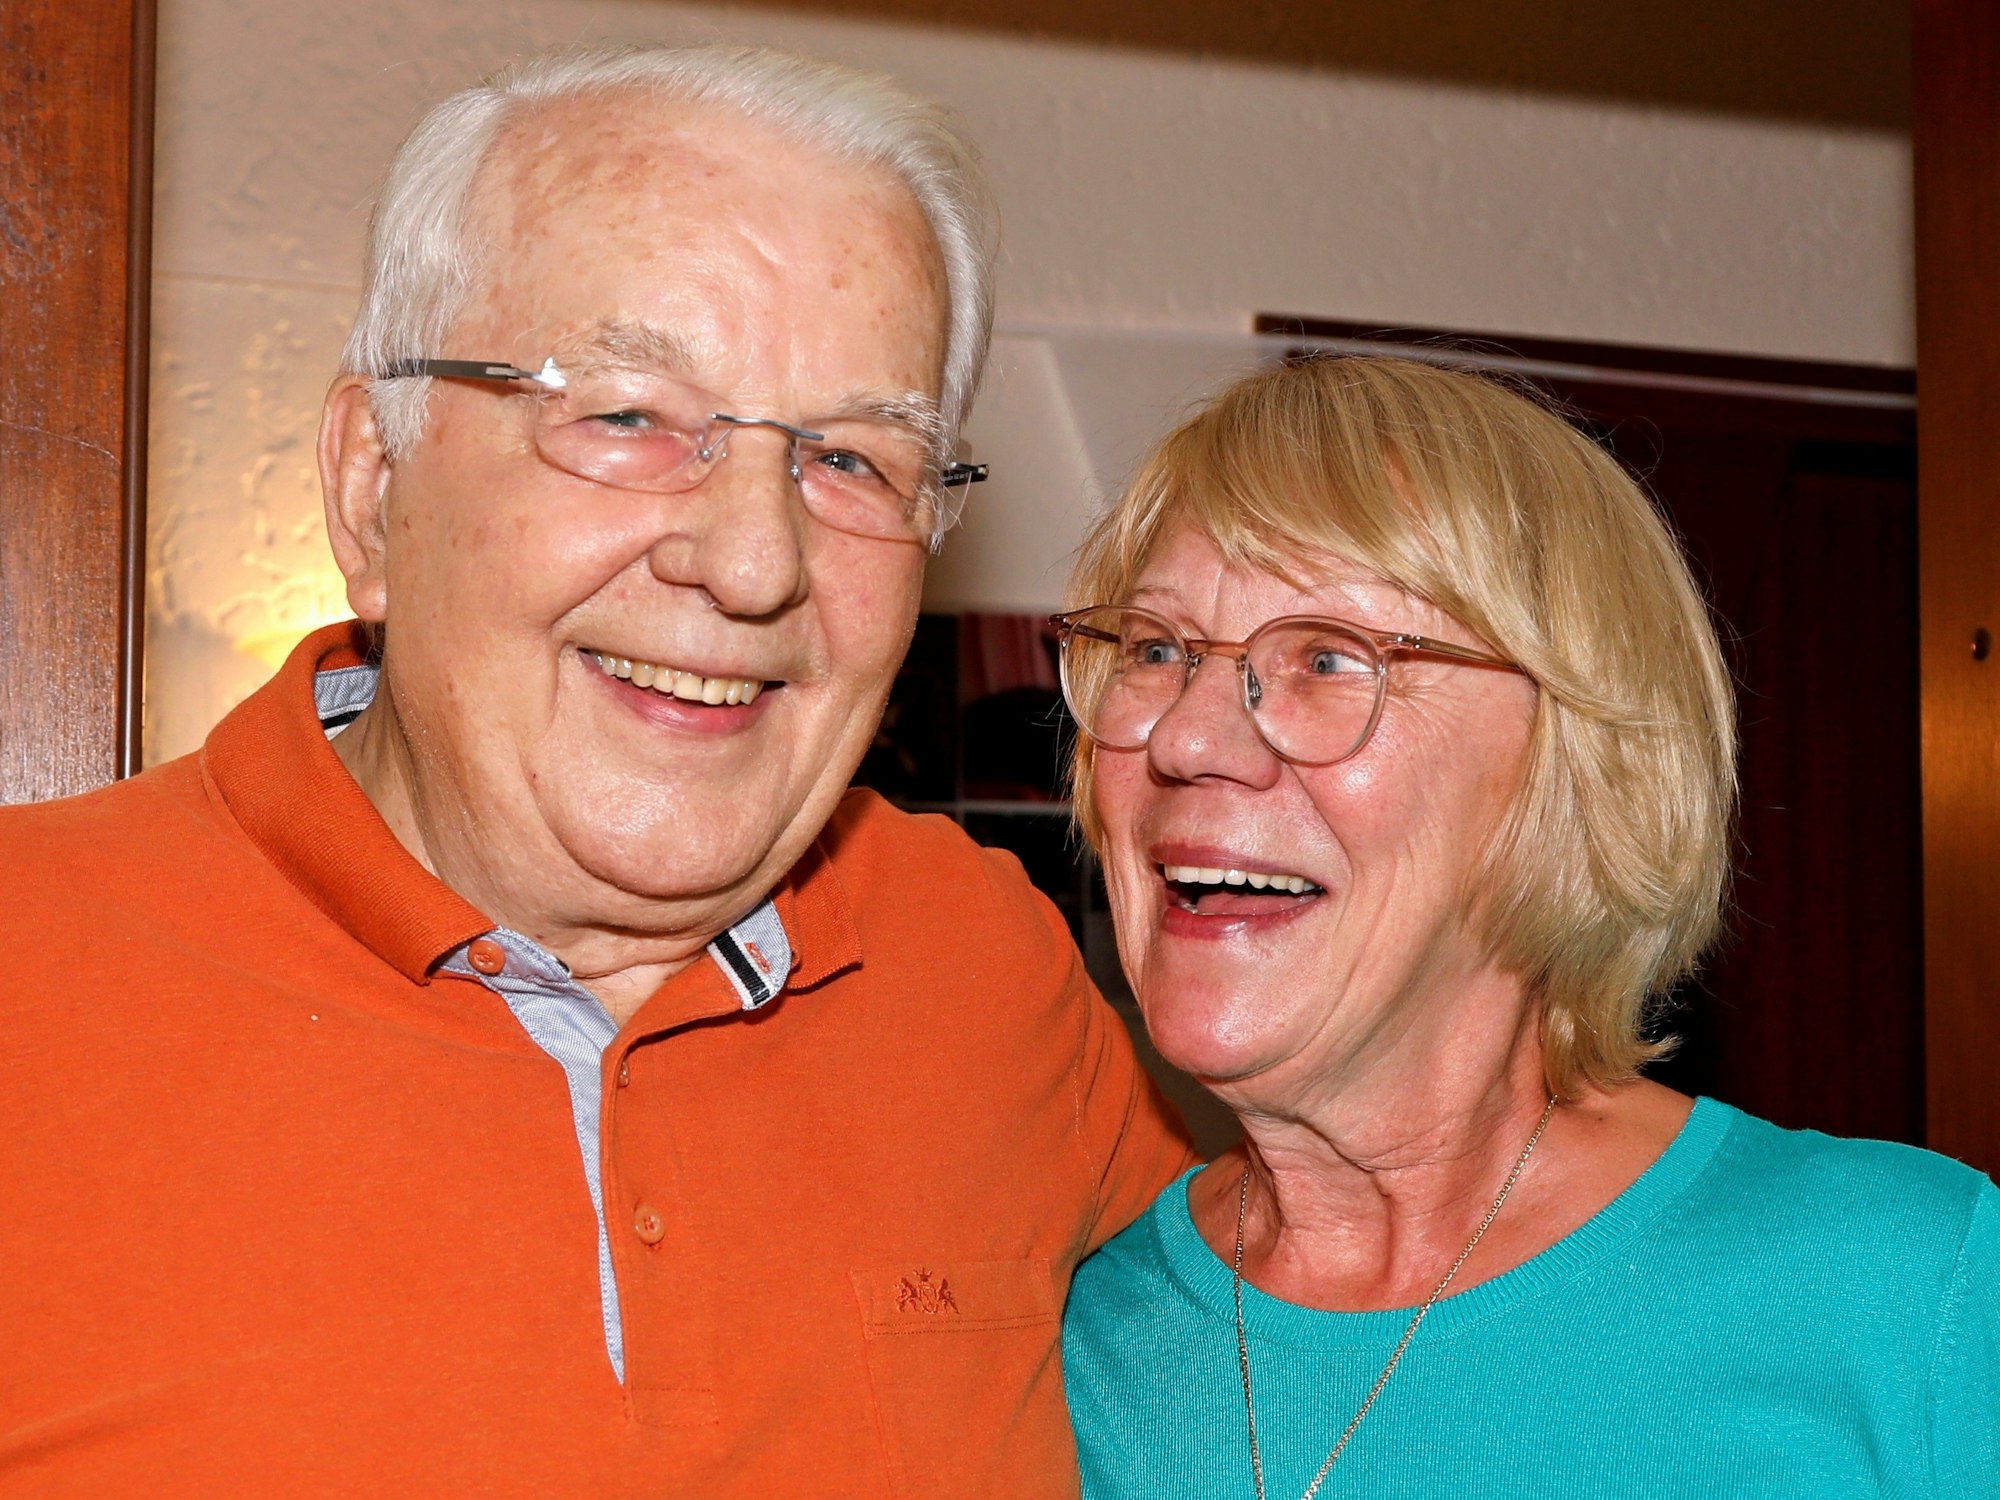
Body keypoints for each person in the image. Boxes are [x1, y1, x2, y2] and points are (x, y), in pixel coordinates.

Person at [0, 44, 1191, 1496]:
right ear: (376, 487)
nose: (754, 561)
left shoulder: (983, 970)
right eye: (626, 417)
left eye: (857, 461)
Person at [1055, 355, 1998, 1497]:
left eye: (1324, 660)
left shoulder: (1907, 1292)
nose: (1185, 738)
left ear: (1567, 766)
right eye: (1154, 650)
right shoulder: (1057, 1352)